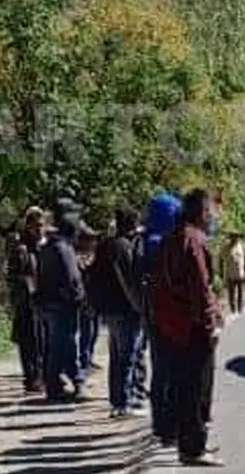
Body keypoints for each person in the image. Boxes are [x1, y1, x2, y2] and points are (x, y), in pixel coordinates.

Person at [153, 189, 224, 467]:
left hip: (175, 325)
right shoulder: (193, 240)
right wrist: (211, 324)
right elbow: (200, 287)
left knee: (184, 386)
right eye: (210, 211)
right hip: (193, 326)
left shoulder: (172, 237)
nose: (213, 216)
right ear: (201, 213)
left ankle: (189, 442)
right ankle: (193, 448)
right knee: (197, 388)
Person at [94, 207, 148, 418]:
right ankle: (124, 402)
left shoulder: (106, 244)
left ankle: (116, 401)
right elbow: (129, 283)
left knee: (116, 357)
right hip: (125, 310)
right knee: (128, 357)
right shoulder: (123, 247)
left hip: (109, 309)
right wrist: (140, 307)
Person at [37, 197, 88, 403]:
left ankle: (58, 384)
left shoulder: (48, 246)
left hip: (51, 303)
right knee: (64, 345)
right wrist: (80, 297)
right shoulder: (62, 248)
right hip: (63, 304)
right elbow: (71, 278)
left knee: (57, 345)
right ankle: (68, 383)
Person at [143, 191, 183, 445]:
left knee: (159, 371)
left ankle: (159, 423)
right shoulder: (165, 244)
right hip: (167, 315)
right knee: (170, 372)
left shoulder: (146, 241)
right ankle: (168, 426)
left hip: (152, 314)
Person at [6, 207, 46, 392]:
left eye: (41, 225)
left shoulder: (41, 248)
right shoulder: (21, 249)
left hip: (41, 303)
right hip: (26, 303)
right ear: (28, 226)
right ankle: (32, 377)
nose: (39, 230)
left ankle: (41, 375)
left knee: (42, 341)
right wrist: (28, 286)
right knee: (29, 342)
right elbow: (12, 277)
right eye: (36, 226)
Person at [75, 224, 101, 379]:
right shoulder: (78, 256)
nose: (94, 242)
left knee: (95, 331)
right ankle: (84, 360)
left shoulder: (94, 255)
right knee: (87, 331)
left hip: (95, 298)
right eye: (90, 239)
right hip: (84, 299)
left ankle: (89, 358)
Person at [222, 231, 245, 315]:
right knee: (231, 293)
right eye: (233, 236)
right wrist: (221, 271)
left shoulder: (243, 246)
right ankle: (233, 310)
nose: (234, 238)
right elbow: (222, 258)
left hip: (240, 273)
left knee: (240, 292)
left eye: (236, 236)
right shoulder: (226, 247)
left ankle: (240, 309)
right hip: (230, 273)